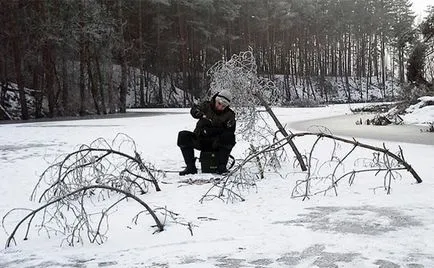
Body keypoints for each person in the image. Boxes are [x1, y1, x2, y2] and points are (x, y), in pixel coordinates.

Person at [177, 90, 236, 175]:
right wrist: (196, 112)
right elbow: (194, 109)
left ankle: (222, 167)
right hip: (200, 139)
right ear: (216, 100)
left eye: (223, 106)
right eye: (219, 104)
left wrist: (212, 131)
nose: (220, 107)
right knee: (183, 135)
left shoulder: (230, 115)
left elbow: (230, 132)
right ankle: (190, 167)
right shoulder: (206, 105)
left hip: (216, 143)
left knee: (229, 137)